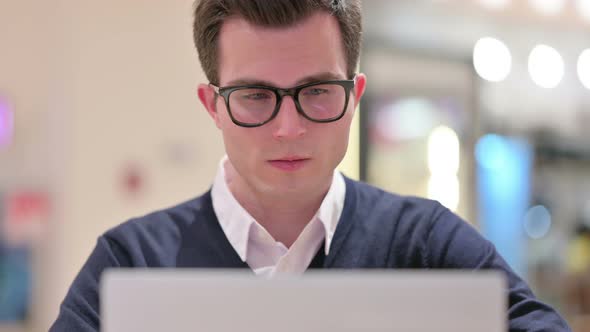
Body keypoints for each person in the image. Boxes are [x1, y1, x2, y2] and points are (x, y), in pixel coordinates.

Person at [50, 0, 571, 331]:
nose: (289, 128)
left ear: (355, 95)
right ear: (213, 106)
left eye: (317, 91)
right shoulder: (132, 264)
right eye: (256, 95)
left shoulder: (427, 244)